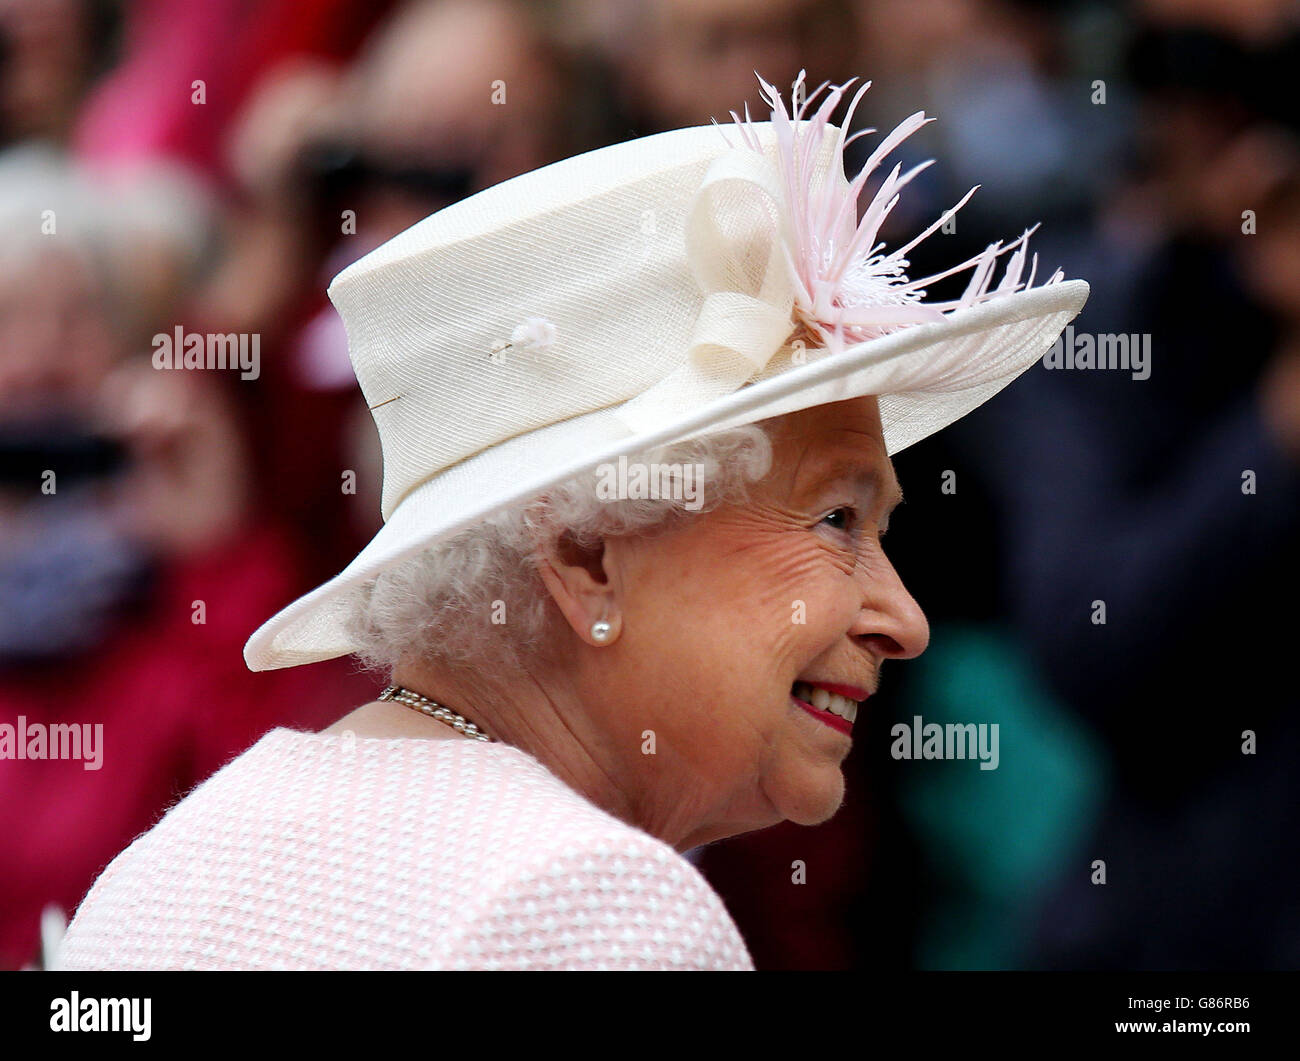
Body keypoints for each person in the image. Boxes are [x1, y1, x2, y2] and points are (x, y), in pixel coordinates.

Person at [54, 71, 1088, 970]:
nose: (899, 616)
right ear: (588, 556)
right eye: (832, 518)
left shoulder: (169, 860)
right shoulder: (587, 900)